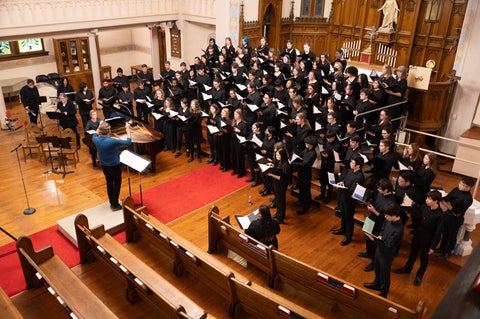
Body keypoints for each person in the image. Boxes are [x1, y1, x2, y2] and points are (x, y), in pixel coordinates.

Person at [394, 190, 444, 286]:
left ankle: (419, 276)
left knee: (423, 258)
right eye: (427, 198)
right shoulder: (425, 206)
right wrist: (410, 215)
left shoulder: (440, 215)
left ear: (436, 201)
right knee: (412, 253)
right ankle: (407, 269)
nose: (426, 200)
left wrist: (433, 247)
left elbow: (438, 232)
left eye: (429, 199)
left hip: (428, 238)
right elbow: (418, 217)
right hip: (418, 233)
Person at [363, 202, 404, 298]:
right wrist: (380, 235)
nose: (385, 217)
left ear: (394, 216)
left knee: (385, 273)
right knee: (377, 268)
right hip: (380, 249)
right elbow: (383, 228)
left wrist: (372, 238)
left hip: (387, 253)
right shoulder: (388, 220)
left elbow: (388, 245)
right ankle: (376, 284)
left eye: (387, 215)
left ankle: (383, 292)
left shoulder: (398, 229)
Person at [92, 120, 132, 211]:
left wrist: (100, 125)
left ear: (100, 131)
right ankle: (115, 204)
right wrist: (127, 129)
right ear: (109, 131)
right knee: (117, 183)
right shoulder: (113, 141)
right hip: (114, 165)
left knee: (109, 183)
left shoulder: (96, 139)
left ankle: (112, 201)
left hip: (104, 165)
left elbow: (95, 133)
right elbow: (128, 142)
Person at [436, 177, 474, 259]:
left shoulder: (467, 199)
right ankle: (441, 249)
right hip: (448, 215)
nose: (460, 186)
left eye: (463, 185)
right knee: (445, 233)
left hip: (455, 218)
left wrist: (444, 203)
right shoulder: (456, 189)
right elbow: (448, 197)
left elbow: (452, 208)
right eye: (460, 183)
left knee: (451, 236)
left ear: (469, 187)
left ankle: (448, 252)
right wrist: (443, 199)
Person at [332, 156, 365, 246]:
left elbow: (352, 190)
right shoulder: (350, 170)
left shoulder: (359, 177)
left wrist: (340, 187)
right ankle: (343, 229)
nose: (350, 164)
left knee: (349, 218)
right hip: (343, 196)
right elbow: (345, 180)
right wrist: (342, 182)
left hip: (350, 200)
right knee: (343, 214)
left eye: (353, 163)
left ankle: (348, 236)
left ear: (358, 166)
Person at [290, 135, 317, 215]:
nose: (305, 144)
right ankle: (301, 201)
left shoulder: (312, 153)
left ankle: (306, 207)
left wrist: (293, 163)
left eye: (307, 143)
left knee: (306, 190)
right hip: (301, 172)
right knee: (301, 187)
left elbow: (305, 163)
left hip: (306, 173)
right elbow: (300, 156)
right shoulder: (306, 149)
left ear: (310, 144)